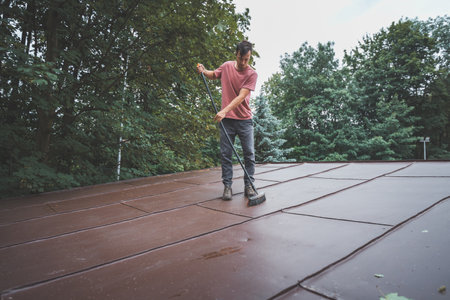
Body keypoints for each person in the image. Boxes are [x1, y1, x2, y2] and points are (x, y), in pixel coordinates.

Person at [197, 40, 258, 201]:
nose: (244, 62)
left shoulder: (252, 74)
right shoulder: (226, 66)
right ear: (236, 54)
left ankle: (249, 186)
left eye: (247, 59)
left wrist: (223, 110)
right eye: (241, 58)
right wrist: (204, 71)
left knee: (249, 154)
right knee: (226, 155)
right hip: (227, 121)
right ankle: (227, 187)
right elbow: (213, 75)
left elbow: (241, 97)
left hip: (244, 120)